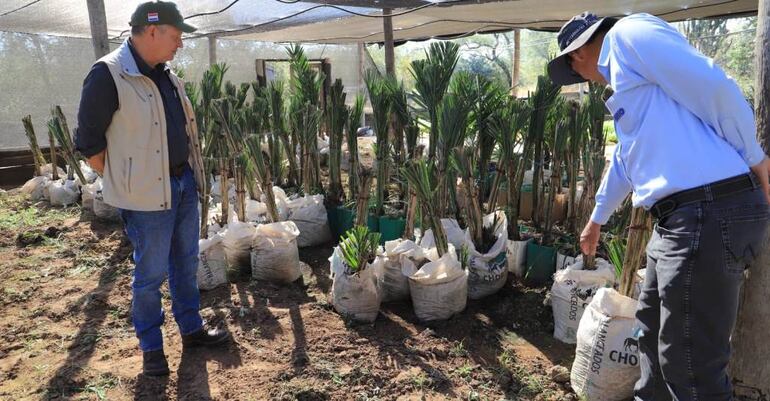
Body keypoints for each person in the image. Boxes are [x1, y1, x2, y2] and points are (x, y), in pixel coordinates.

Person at [548, 12, 770, 401]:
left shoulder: (630, 35)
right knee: (649, 335)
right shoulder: (630, 88)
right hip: (682, 219)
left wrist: (757, 159)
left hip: (707, 207)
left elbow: (712, 86)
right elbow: (626, 159)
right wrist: (597, 219)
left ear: (578, 53)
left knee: (690, 365)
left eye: (575, 70)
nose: (583, 78)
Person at [75, 1, 229, 377]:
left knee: (186, 263)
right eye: (176, 37)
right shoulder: (109, 74)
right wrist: (124, 180)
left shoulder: (165, 74)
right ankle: (151, 348)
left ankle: (191, 330)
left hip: (182, 185)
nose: (179, 44)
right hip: (145, 199)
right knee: (149, 275)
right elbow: (89, 143)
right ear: (153, 30)